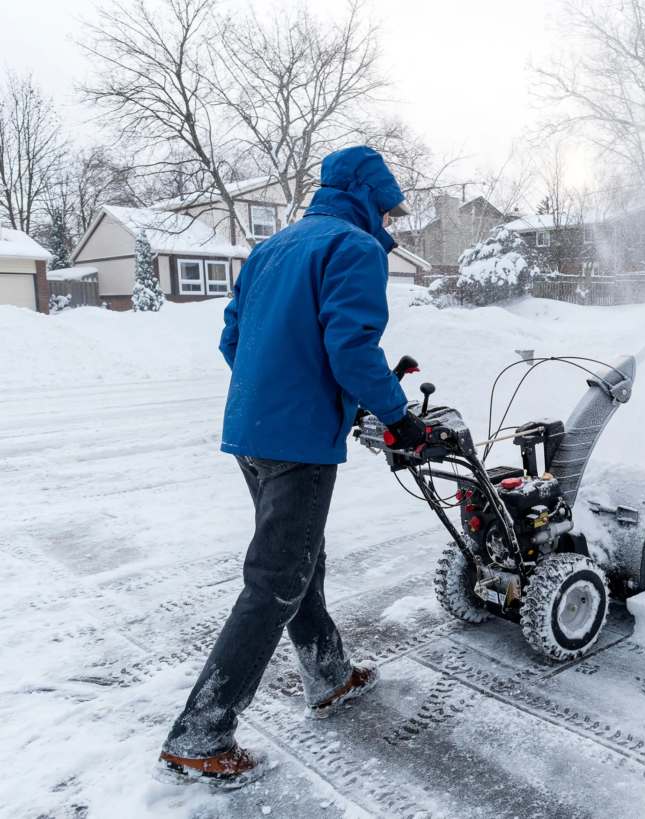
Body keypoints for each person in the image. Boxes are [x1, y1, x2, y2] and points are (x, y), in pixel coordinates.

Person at [155, 146, 427, 789]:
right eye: (387, 203)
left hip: (251, 432)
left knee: (299, 559)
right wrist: (398, 418)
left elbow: (232, 338)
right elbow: (351, 347)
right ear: (366, 194)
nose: (390, 215)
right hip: (298, 443)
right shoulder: (354, 249)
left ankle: (328, 674)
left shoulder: (272, 248)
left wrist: (276, 394)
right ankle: (201, 733)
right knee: (276, 580)